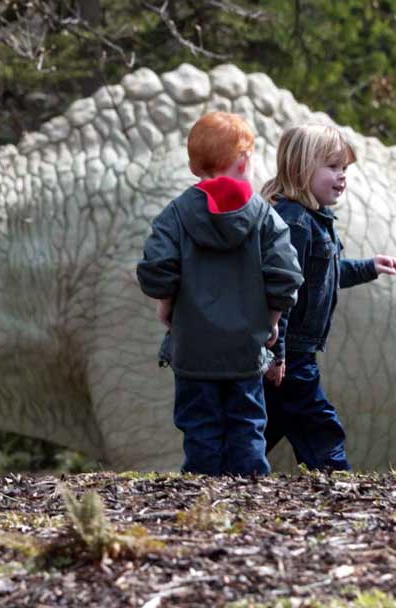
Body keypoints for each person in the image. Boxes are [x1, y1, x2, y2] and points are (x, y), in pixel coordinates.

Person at [136, 112, 303, 476]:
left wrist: (166, 303)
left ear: (196, 167)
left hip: (193, 349)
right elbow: (286, 274)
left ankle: (201, 504)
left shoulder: (176, 214)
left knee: (200, 429)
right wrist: (272, 320)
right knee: (247, 427)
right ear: (244, 162)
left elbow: (156, 268)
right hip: (245, 350)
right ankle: (248, 502)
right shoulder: (264, 216)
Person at [260, 124, 396, 472]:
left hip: (294, 351)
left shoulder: (314, 219)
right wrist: (277, 353)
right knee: (320, 427)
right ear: (301, 167)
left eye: (345, 169)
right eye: (332, 167)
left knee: (260, 427)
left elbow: (325, 276)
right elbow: (283, 292)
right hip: (291, 353)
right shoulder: (295, 223)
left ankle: (218, 474)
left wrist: (369, 267)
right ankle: (337, 482)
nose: (342, 177)